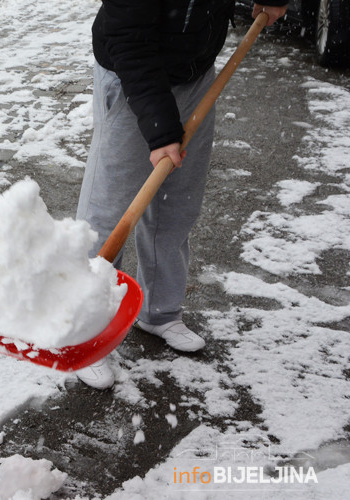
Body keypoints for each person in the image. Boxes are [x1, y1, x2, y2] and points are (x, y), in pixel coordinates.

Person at [75, 0, 288, 389]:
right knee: (109, 211)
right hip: (132, 76)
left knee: (177, 203)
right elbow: (128, 37)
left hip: (195, 73)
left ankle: (159, 311)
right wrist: (160, 129)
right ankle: (85, 332)